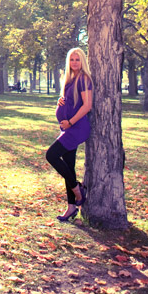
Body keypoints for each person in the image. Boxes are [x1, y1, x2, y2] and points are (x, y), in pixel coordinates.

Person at [45, 47, 93, 222]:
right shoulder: (70, 79)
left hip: (77, 128)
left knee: (51, 155)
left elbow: (87, 106)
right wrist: (61, 102)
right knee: (69, 167)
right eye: (72, 60)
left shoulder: (84, 79)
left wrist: (71, 121)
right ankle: (72, 207)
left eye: (77, 60)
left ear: (83, 62)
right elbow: (72, 101)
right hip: (67, 128)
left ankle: (77, 189)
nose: (74, 63)